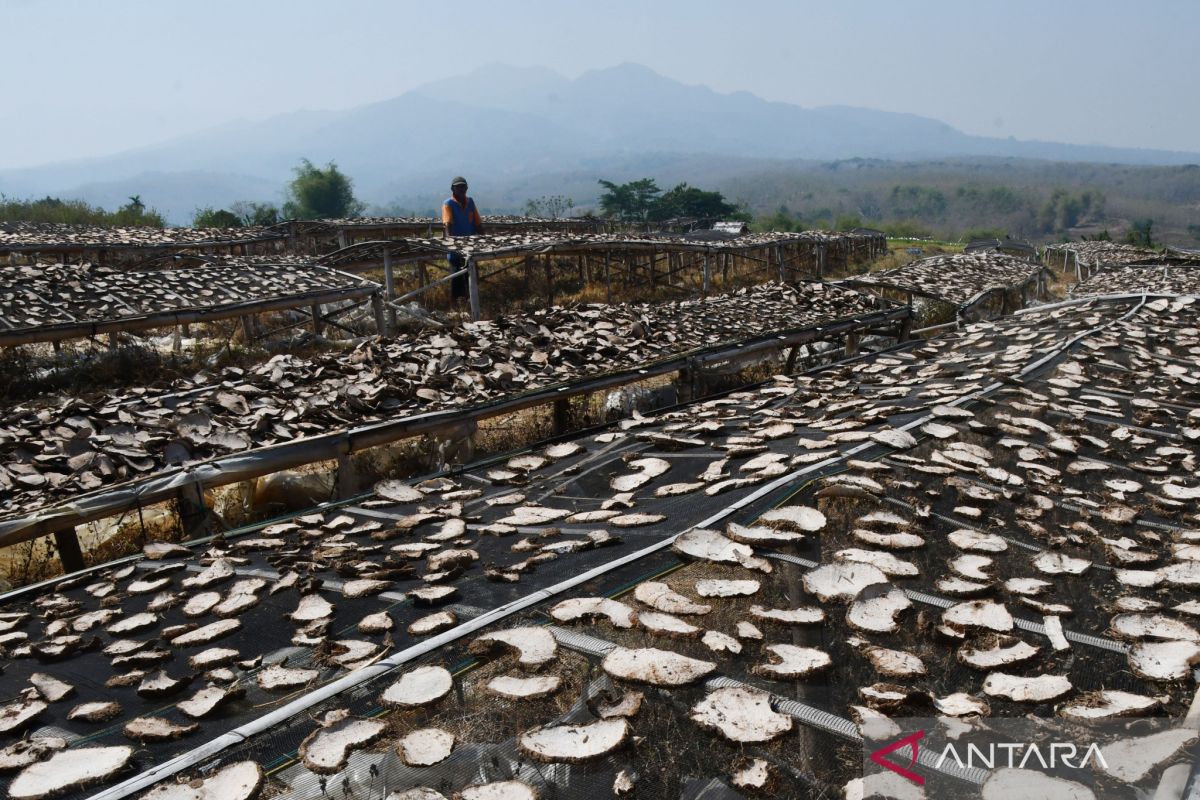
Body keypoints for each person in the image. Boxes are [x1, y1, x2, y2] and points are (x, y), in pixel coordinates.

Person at [441, 176, 484, 302]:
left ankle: (470, 304)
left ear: (467, 188)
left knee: (471, 278)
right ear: (452, 189)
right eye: (458, 186)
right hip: (456, 251)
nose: (461, 189)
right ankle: (456, 307)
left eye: (463, 186)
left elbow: (478, 224)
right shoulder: (448, 204)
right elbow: (448, 225)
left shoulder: (470, 202)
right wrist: (453, 244)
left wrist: (484, 240)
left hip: (470, 249)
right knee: (457, 279)